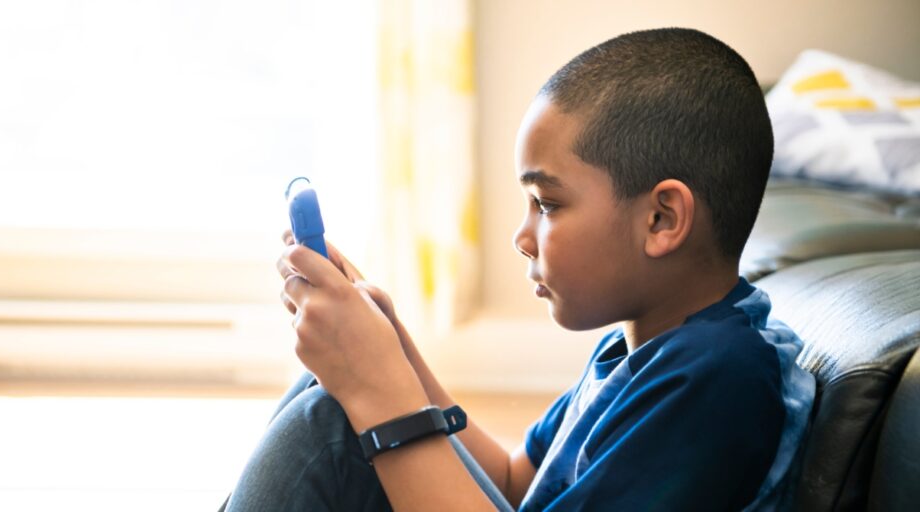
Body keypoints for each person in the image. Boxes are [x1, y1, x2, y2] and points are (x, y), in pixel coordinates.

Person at [222, 27, 815, 511]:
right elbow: (514, 482)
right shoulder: (637, 351)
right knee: (330, 391)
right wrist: (394, 358)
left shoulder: (720, 378)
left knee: (332, 421)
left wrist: (379, 392)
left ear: (662, 219)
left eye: (548, 204)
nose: (522, 236)